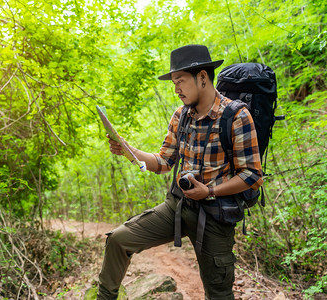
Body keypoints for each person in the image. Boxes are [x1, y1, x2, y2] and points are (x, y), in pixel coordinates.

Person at [97, 44, 263, 300]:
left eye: (180, 81)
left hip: (215, 216)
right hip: (177, 206)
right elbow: (164, 162)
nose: (176, 89)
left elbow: (252, 175)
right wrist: (128, 150)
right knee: (118, 239)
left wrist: (209, 190)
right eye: (174, 82)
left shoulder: (236, 116)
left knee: (218, 293)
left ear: (203, 78)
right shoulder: (181, 116)